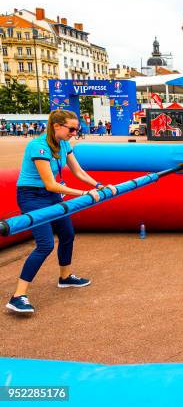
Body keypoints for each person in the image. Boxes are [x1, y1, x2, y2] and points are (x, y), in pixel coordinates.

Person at [5, 109, 117, 314]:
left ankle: (65, 278)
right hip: (32, 197)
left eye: (77, 129)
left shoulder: (64, 144)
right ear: (56, 126)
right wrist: (85, 192)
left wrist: (99, 185)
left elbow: (78, 171)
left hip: (51, 195)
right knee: (45, 244)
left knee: (67, 234)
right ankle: (17, 296)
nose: (75, 133)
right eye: (72, 129)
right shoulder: (37, 146)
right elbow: (50, 184)